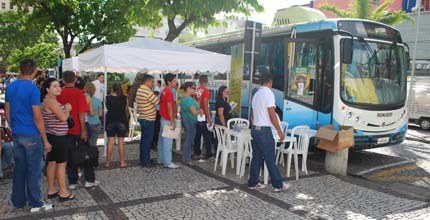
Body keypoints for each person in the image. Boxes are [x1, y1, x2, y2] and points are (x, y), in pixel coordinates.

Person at [5, 59, 53, 212]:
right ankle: (36, 203)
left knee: (19, 169)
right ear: (34, 71)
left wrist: (14, 127)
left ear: (20, 69)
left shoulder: (10, 86)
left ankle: (18, 201)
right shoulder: (33, 89)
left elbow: (7, 111)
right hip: (32, 135)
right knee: (34, 170)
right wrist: (45, 139)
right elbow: (37, 116)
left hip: (17, 133)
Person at [248, 73, 290, 192]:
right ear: (270, 82)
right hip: (264, 131)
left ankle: (253, 182)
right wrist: (279, 131)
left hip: (255, 129)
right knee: (270, 158)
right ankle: (278, 185)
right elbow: (272, 114)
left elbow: (252, 115)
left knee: (256, 157)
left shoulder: (256, 94)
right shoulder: (269, 93)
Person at [57, 71, 96, 189]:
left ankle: (72, 181)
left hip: (64, 129)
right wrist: (83, 130)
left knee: (68, 155)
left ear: (63, 80)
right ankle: (89, 179)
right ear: (75, 80)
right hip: (78, 128)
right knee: (85, 154)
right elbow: (81, 114)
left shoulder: (59, 93)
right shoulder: (80, 93)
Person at [41, 78, 75, 201]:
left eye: (59, 86)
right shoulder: (52, 101)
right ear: (47, 89)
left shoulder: (46, 101)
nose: (58, 88)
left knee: (52, 163)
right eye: (54, 86)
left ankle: (51, 189)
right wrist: (67, 109)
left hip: (51, 135)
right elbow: (62, 118)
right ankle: (63, 192)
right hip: (59, 137)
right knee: (61, 165)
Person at [136, 74, 159, 168]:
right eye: (152, 82)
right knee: (147, 141)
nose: (153, 84)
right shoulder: (146, 91)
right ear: (147, 81)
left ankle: (143, 160)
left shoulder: (139, 89)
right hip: (148, 119)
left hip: (143, 117)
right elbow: (157, 101)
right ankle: (146, 162)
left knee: (144, 141)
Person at [105, 83, 130, 168]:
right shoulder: (125, 98)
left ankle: (107, 163)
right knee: (121, 142)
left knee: (110, 142)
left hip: (110, 121)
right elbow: (126, 109)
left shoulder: (107, 98)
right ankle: (122, 162)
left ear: (112, 89)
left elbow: (107, 107)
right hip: (122, 121)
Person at [157, 73, 179, 169]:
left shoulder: (164, 91)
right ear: (169, 82)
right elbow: (170, 108)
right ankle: (168, 162)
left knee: (161, 141)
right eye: (174, 81)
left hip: (163, 118)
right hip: (167, 119)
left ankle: (161, 159)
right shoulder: (169, 92)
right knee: (167, 142)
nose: (176, 82)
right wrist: (173, 121)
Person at [180, 82, 202, 165]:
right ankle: (187, 159)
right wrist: (200, 110)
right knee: (189, 140)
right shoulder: (188, 99)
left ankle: (185, 158)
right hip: (190, 121)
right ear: (188, 88)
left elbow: (181, 111)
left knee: (188, 139)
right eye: (193, 88)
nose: (195, 90)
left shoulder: (184, 97)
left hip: (187, 119)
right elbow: (194, 112)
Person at [193, 75, 213, 160]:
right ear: (206, 81)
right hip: (203, 115)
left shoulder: (196, 90)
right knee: (206, 135)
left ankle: (196, 152)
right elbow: (206, 105)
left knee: (197, 135)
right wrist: (209, 118)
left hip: (196, 114)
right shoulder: (206, 91)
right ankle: (208, 153)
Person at [83, 83, 103, 148]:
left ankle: (86, 156)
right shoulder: (98, 100)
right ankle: (93, 155)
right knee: (94, 142)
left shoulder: (83, 99)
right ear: (94, 90)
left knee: (85, 142)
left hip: (86, 122)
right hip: (96, 122)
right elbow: (100, 114)